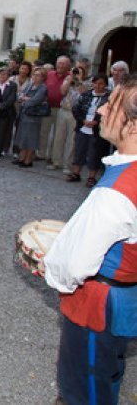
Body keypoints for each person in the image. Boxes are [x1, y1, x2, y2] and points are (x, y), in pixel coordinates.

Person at [43, 72, 137, 405]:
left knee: (84, 389)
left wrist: (50, 269)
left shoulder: (118, 192)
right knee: (107, 374)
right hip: (123, 298)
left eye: (111, 105)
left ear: (134, 126)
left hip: (97, 305)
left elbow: (75, 264)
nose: (99, 111)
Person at [67, 73, 110, 188]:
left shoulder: (109, 98)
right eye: (96, 83)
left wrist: (97, 122)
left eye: (101, 83)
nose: (98, 86)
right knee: (79, 149)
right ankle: (76, 173)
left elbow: (110, 113)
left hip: (97, 129)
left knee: (94, 152)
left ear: (105, 85)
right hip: (83, 126)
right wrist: (83, 120)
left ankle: (92, 177)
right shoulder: (86, 95)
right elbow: (76, 109)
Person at [13, 67, 48, 168]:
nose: (35, 77)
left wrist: (25, 99)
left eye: (38, 75)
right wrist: (25, 98)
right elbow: (20, 95)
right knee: (23, 137)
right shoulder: (30, 85)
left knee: (31, 138)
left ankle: (28, 160)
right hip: (25, 114)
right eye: (34, 74)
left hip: (34, 116)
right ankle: (22, 157)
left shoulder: (42, 88)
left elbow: (35, 101)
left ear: (43, 77)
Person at [39, 56, 72, 162]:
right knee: (43, 131)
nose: (60, 65)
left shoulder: (71, 77)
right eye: (59, 63)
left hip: (61, 109)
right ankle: (41, 154)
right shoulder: (49, 74)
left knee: (58, 135)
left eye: (63, 64)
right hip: (47, 107)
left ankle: (53, 156)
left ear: (68, 66)